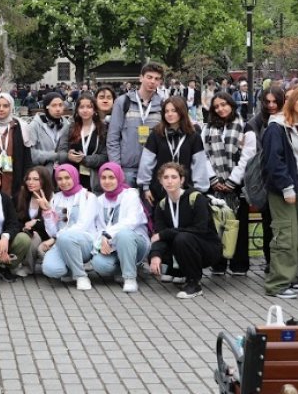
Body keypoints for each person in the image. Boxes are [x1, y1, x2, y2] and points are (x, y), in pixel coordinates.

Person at [260, 85, 298, 299]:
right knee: (286, 235)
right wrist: (286, 187)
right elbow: (274, 161)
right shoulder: (277, 127)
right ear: (292, 100)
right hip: (284, 190)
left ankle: (291, 276)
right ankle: (278, 283)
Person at [147, 162, 221, 299]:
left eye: (174, 177)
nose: (170, 181)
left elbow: (200, 229)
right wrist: (155, 255)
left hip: (208, 248)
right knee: (158, 247)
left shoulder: (196, 198)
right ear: (160, 181)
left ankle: (194, 283)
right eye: (166, 177)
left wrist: (165, 234)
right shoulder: (162, 206)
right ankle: (179, 271)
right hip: (183, 246)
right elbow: (158, 235)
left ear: (181, 180)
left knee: (183, 238)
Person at [202, 92, 253, 276]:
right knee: (217, 225)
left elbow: (247, 156)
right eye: (216, 107)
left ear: (231, 104)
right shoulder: (207, 128)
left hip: (237, 186)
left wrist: (232, 181)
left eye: (224, 104)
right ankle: (218, 263)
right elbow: (203, 154)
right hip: (214, 185)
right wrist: (213, 179)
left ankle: (239, 265)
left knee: (239, 224)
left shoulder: (245, 127)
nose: (221, 109)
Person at [89, 162, 150, 293]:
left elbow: (132, 221)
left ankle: (129, 278)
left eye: (111, 177)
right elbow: (98, 227)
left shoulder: (130, 194)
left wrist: (108, 234)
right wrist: (103, 238)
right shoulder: (99, 201)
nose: (107, 181)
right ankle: (125, 267)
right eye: (103, 178)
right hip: (111, 245)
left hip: (136, 241)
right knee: (99, 264)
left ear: (119, 177)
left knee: (124, 234)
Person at [138, 96, 211, 204]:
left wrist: (200, 190)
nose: (170, 114)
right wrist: (145, 187)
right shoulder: (156, 134)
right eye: (166, 111)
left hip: (186, 191)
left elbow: (199, 165)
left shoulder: (193, 136)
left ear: (182, 111)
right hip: (160, 190)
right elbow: (146, 162)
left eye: (174, 110)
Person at [40, 164, 99, 290]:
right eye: (60, 179)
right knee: (50, 269)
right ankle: (70, 269)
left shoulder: (88, 197)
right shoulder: (55, 199)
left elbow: (83, 225)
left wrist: (57, 237)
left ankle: (81, 276)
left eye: (67, 177)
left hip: (84, 242)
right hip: (61, 242)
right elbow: (52, 232)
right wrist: (47, 212)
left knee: (66, 237)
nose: (64, 182)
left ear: (75, 176)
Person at [107, 62, 166, 186]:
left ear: (160, 82)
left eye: (157, 79)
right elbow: (113, 137)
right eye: (149, 77)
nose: (152, 82)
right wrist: (116, 168)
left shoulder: (162, 104)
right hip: (126, 170)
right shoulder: (123, 102)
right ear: (141, 78)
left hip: (152, 169)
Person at [58, 95, 108, 191]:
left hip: (94, 178)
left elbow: (105, 156)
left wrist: (84, 159)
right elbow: (60, 152)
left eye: (89, 107)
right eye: (81, 107)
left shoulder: (103, 129)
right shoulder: (69, 128)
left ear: (95, 110)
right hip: (72, 177)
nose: (85, 110)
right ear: (77, 110)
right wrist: (68, 156)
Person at [14, 166, 56, 276]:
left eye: (36, 179)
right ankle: (27, 266)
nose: (30, 182)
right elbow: (17, 218)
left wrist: (36, 223)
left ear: (44, 180)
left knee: (34, 236)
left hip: (49, 236)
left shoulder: (53, 198)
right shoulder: (23, 196)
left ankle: (32, 265)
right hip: (29, 233)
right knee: (29, 235)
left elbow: (55, 224)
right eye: (28, 179)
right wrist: (24, 227)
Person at [29, 92, 68, 169]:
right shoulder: (35, 125)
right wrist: (56, 156)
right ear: (46, 107)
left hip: (63, 173)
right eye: (54, 105)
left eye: (60, 105)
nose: (58, 109)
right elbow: (31, 154)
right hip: (43, 172)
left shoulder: (67, 124)